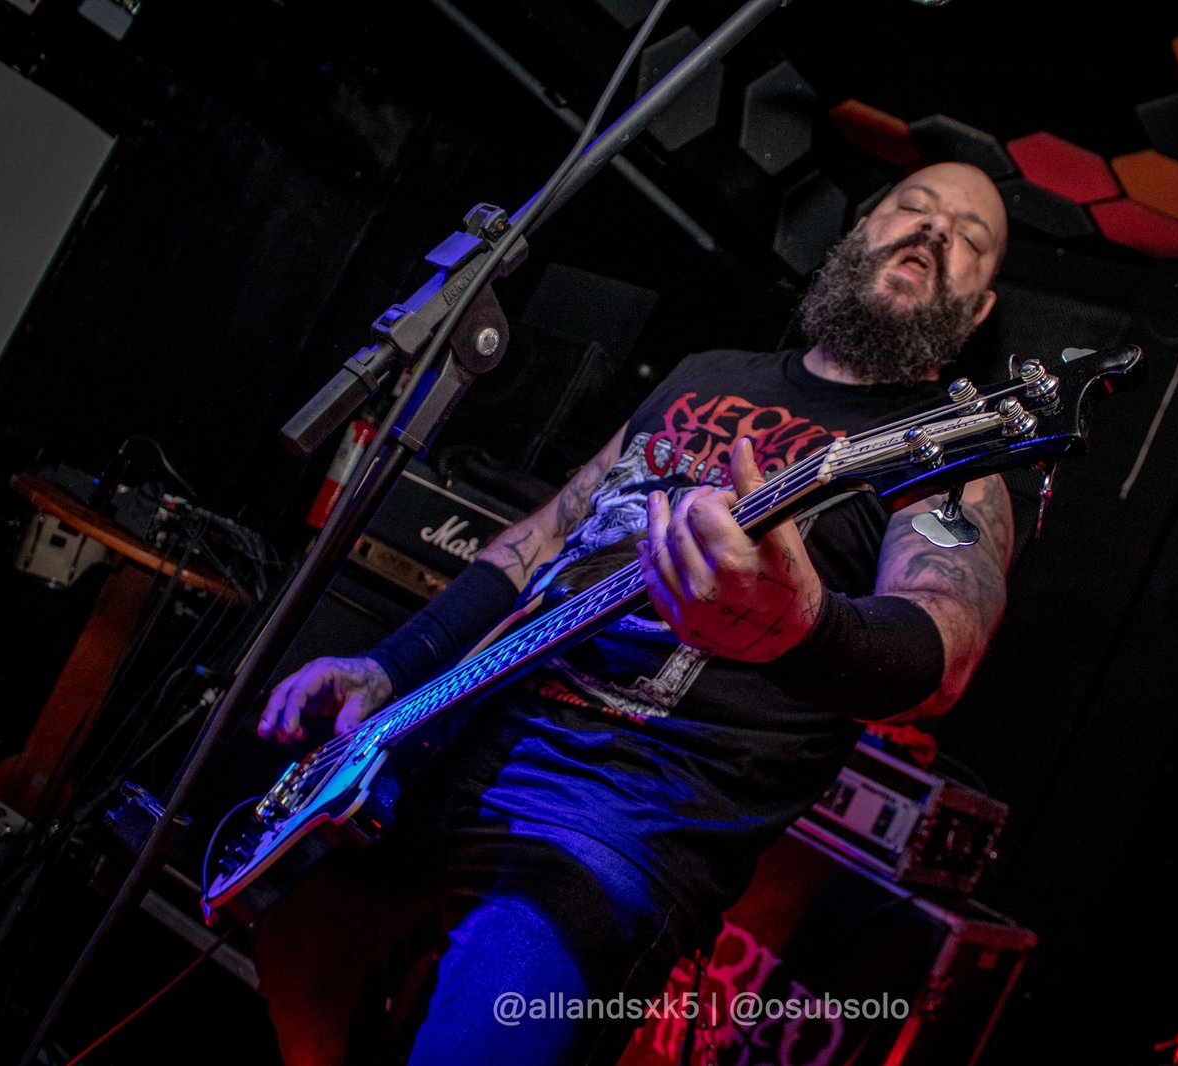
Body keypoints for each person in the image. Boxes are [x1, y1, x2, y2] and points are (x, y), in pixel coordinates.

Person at [250, 161, 1015, 1066]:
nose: (934, 232)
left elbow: (945, 644)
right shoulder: (707, 374)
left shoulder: (950, 453)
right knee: (288, 981)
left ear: (977, 311)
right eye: (913, 207)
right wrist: (390, 669)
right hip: (453, 740)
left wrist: (806, 626)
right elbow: (543, 538)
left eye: (969, 239)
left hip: (617, 822)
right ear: (857, 234)